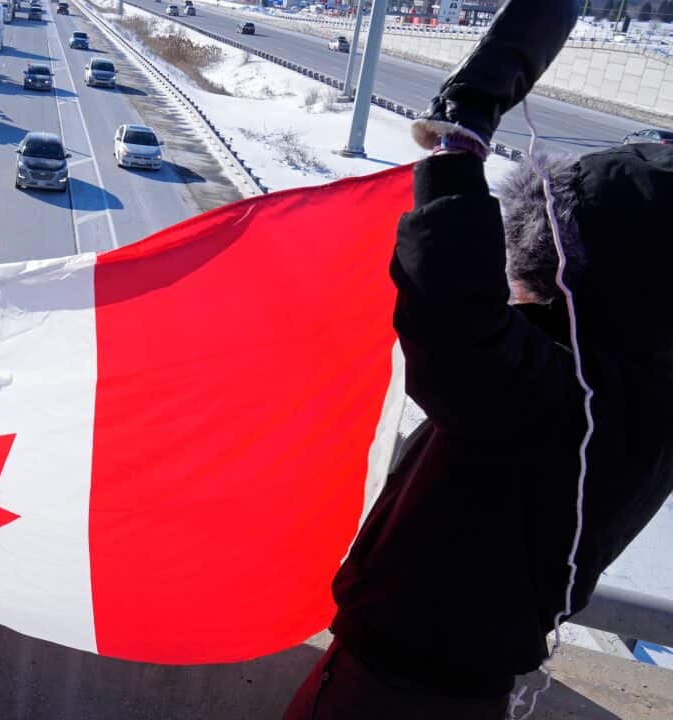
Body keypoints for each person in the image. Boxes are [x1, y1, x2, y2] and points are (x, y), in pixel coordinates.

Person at [284, 1, 673, 717]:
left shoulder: (563, 397)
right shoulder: (635, 398)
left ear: (578, 274)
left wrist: (463, 137)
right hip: (447, 687)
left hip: (396, 695)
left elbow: (454, 322)